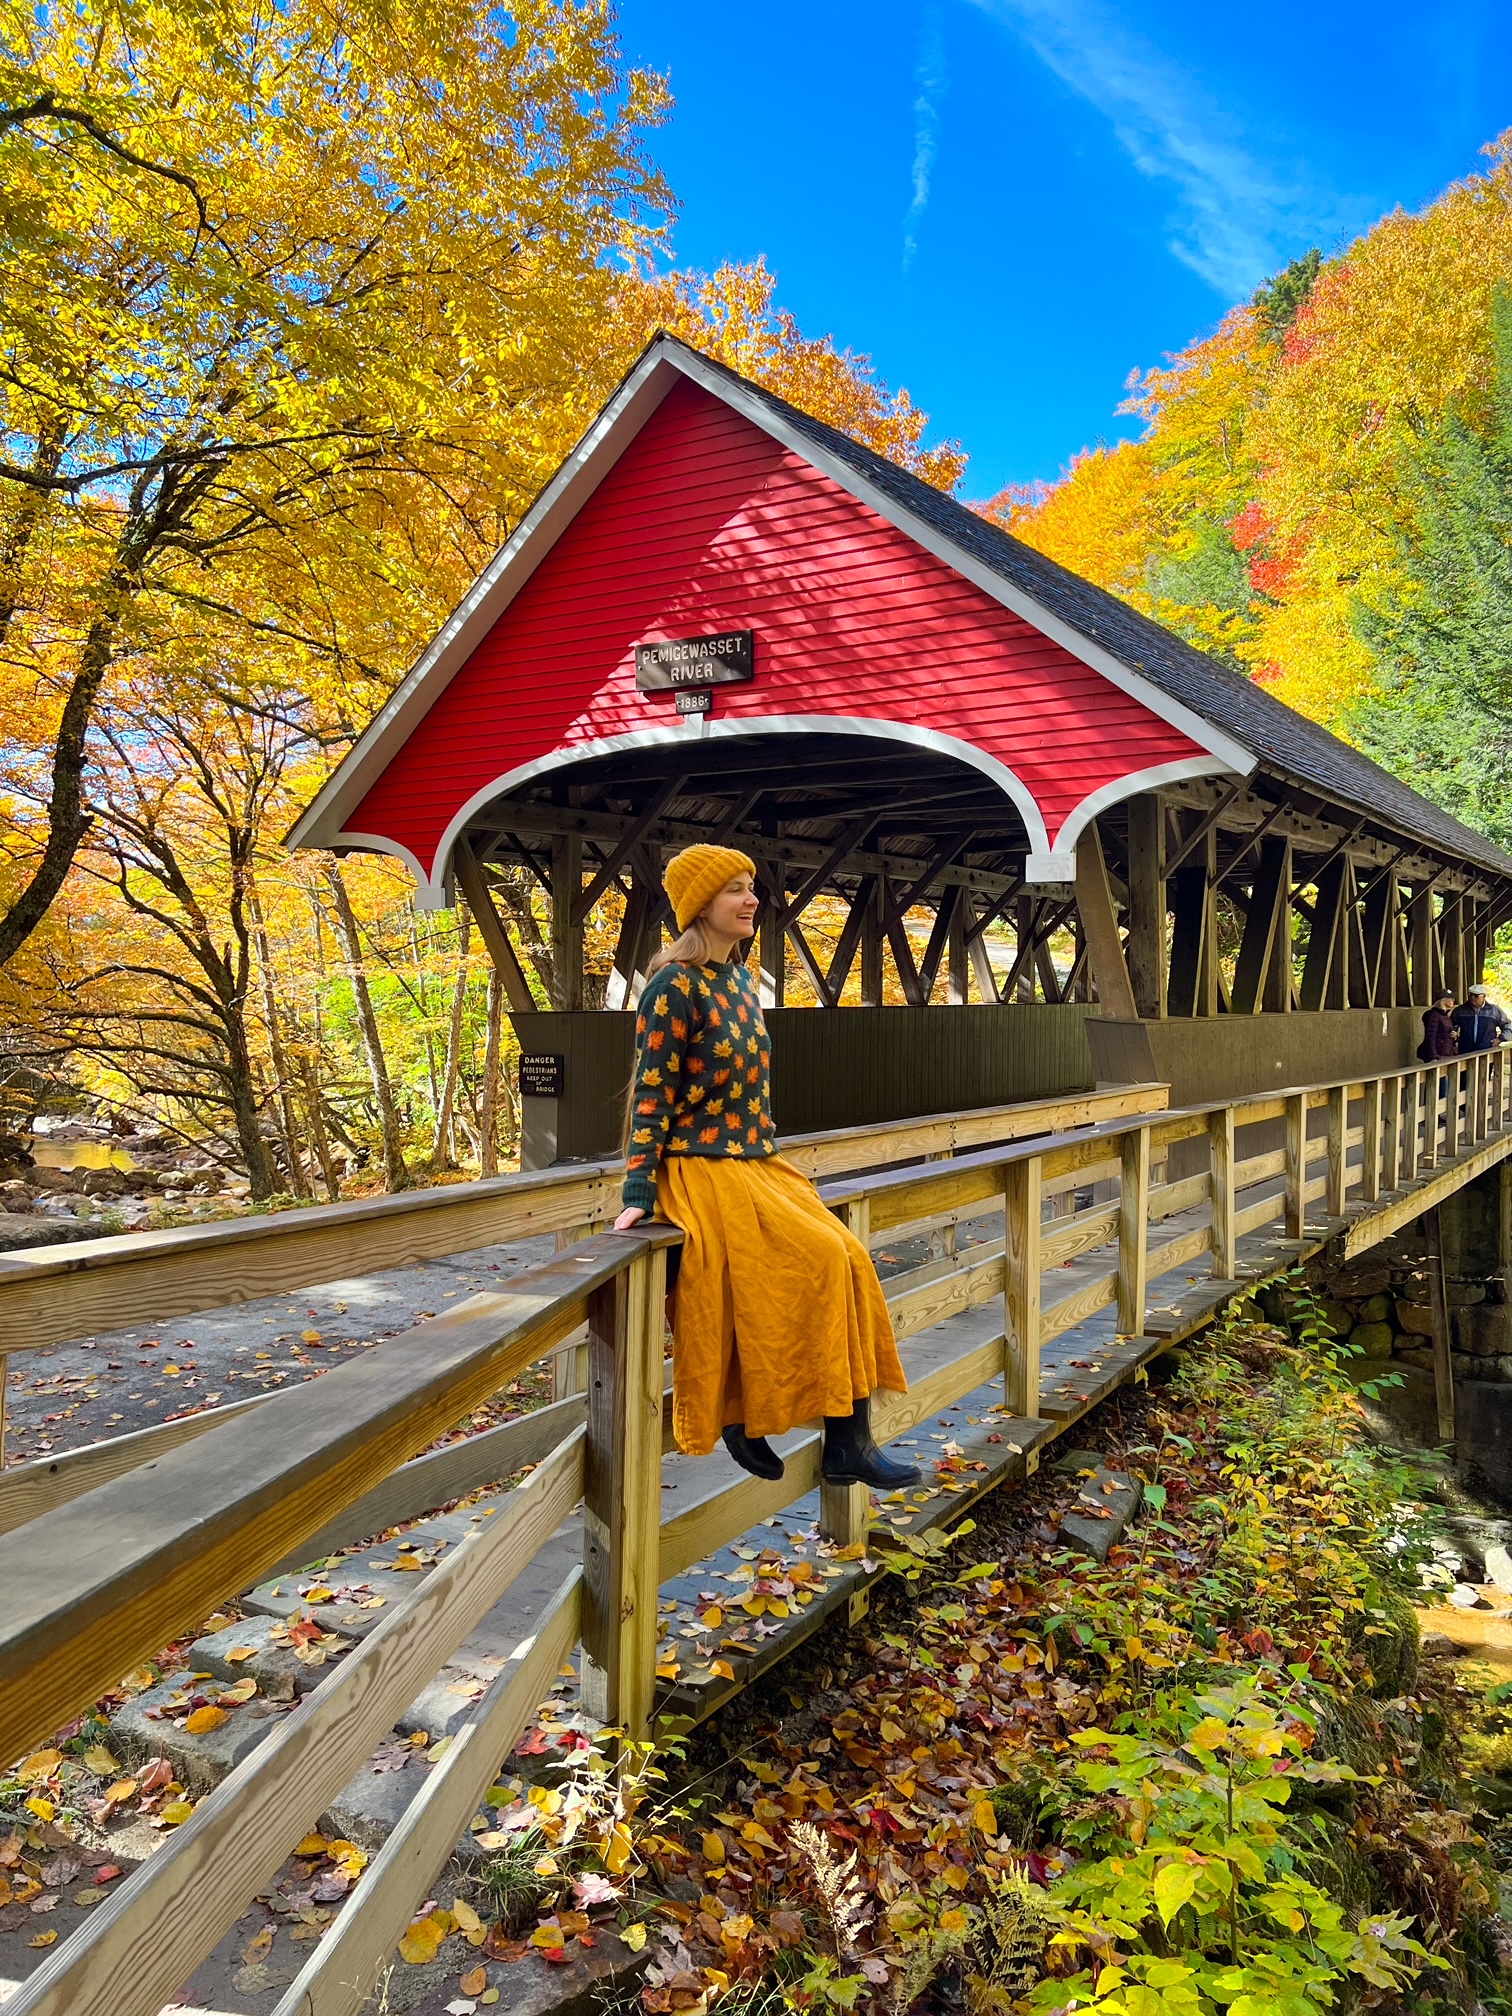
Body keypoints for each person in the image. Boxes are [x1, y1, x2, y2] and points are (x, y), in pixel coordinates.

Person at [613, 844, 919, 1490]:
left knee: (849, 1259)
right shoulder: (674, 985)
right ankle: (747, 1417)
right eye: (735, 890)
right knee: (806, 1264)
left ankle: (848, 1440)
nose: (752, 899)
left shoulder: (741, 981)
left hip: (757, 1163)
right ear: (701, 905)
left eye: (751, 886)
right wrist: (640, 1188)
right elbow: (650, 1093)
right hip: (702, 1168)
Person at [1451, 982, 1512, 1053]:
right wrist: (1454, 1041)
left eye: (1476, 996)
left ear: (1484, 996)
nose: (1472, 998)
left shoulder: (1494, 1010)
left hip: (1487, 1051)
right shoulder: (1460, 1011)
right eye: (1471, 995)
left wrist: (1500, 1039)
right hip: (1465, 1052)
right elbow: (1449, 1028)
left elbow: (1508, 1026)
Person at [1418, 990, 1458, 1062]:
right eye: (1451, 998)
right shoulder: (1434, 1015)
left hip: (1448, 1053)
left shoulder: (1445, 1015)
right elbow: (1430, 1037)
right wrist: (1433, 1057)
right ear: (1444, 1000)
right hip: (1438, 1055)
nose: (1453, 1000)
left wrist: (1455, 1037)